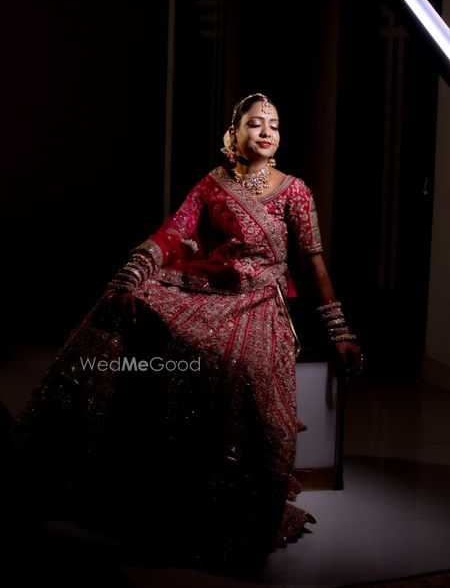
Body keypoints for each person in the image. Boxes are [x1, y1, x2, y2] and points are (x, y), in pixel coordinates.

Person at [3, 92, 362, 580]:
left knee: (239, 368)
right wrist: (127, 279)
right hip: (206, 289)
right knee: (125, 315)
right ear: (233, 134)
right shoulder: (212, 184)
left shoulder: (295, 191)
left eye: (274, 125)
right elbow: (172, 234)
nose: (266, 131)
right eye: (255, 123)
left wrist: (338, 329)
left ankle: (234, 510)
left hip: (261, 302)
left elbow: (313, 262)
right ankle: (89, 470)